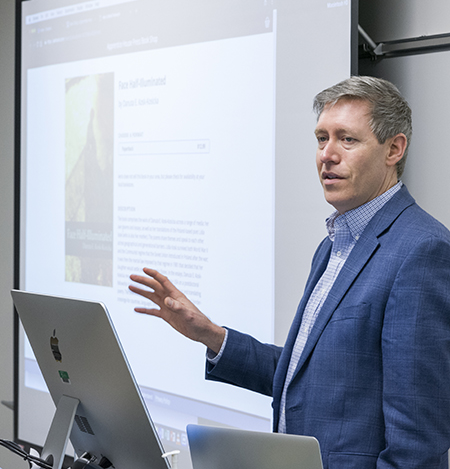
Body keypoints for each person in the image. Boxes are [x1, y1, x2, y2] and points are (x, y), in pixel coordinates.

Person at [129, 76, 450, 468]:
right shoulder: (334, 243)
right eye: (321, 138)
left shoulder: (422, 251)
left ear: (394, 149)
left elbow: (417, 444)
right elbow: (304, 377)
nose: (327, 155)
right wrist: (209, 335)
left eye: (346, 139)